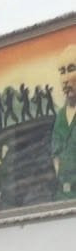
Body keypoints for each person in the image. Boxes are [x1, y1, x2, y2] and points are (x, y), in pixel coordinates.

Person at [52, 44, 76, 200]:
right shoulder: (60, 116)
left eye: (71, 69)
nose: (65, 79)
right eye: (62, 71)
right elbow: (55, 155)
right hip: (61, 197)